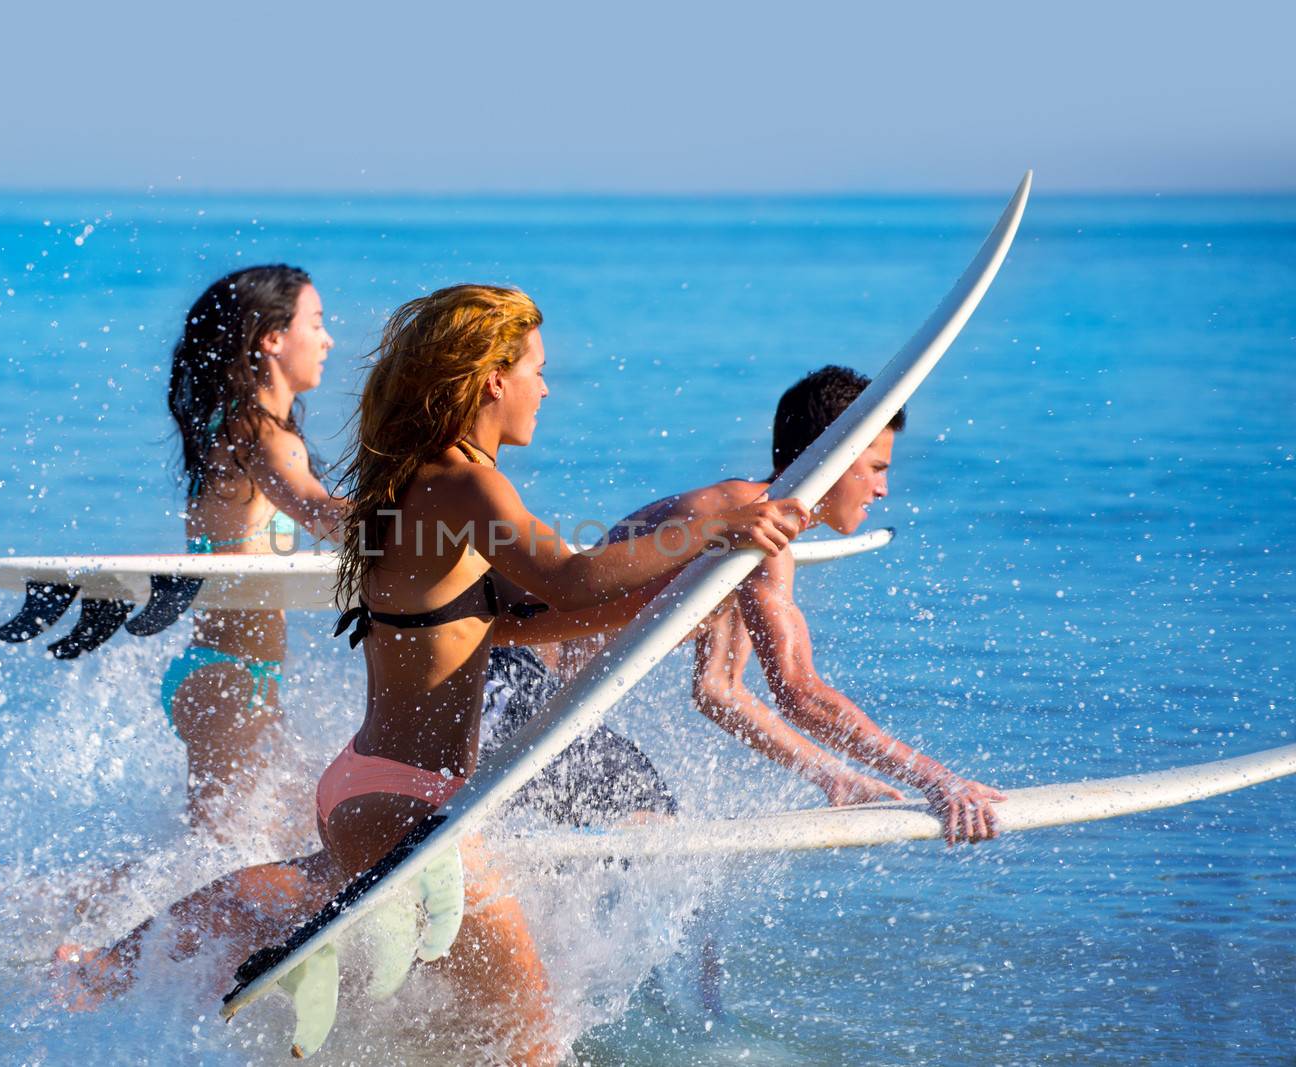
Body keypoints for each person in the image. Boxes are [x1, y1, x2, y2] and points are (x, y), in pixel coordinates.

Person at [57, 285, 809, 1063]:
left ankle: (114, 968)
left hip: (371, 785)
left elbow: (521, 621)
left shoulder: (424, 480)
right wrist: (714, 524)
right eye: (537, 371)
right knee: (531, 1043)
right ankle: (111, 968)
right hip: (411, 802)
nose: (547, 390)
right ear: (492, 379)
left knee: (402, 986)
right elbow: (574, 577)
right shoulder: (463, 484)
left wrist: (674, 589)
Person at [488, 365, 1004, 846]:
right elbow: (800, 692)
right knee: (648, 820)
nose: (883, 489)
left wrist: (836, 778)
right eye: (874, 468)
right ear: (835, 456)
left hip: (531, 694)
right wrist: (940, 780)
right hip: (508, 681)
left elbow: (720, 691)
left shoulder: (746, 525)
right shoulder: (749, 525)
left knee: (648, 824)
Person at [163, 264, 348, 832]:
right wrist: (440, 523)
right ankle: (51, 906)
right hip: (230, 679)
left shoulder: (232, 426)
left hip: (231, 673)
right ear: (272, 338)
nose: (328, 339)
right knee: (212, 860)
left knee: (257, 840)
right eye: (315, 323)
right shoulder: (262, 434)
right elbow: (322, 514)